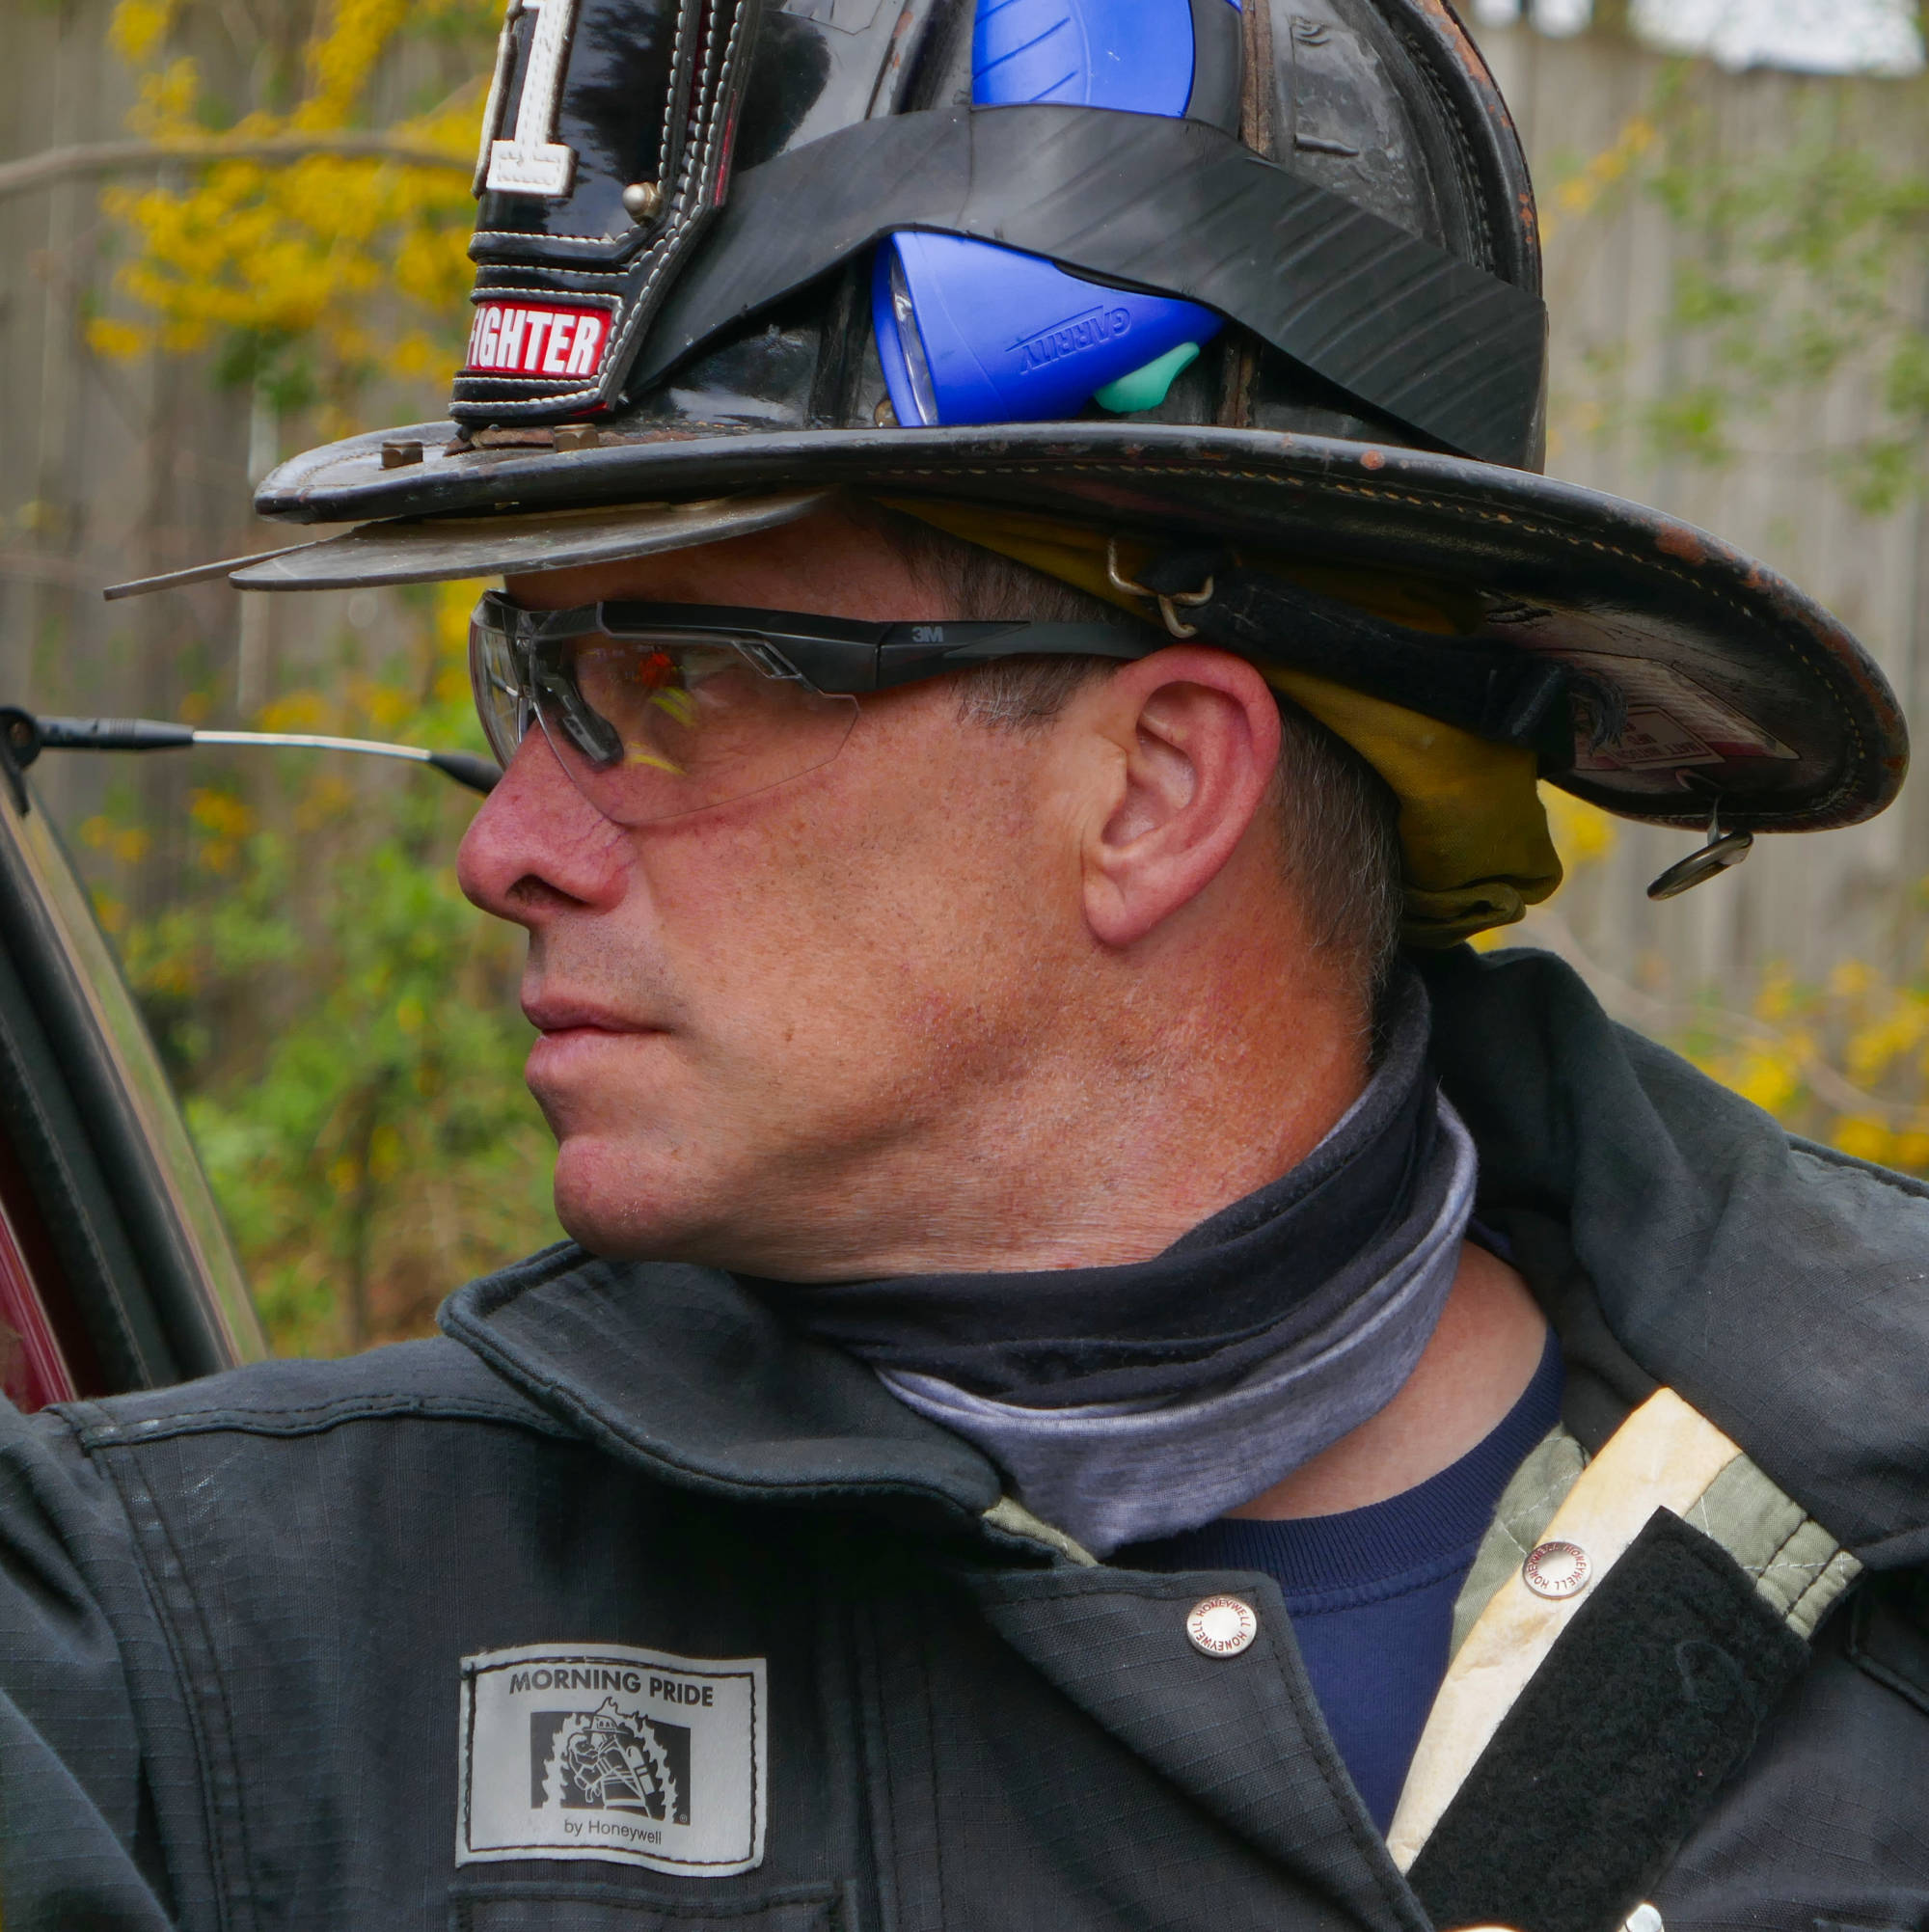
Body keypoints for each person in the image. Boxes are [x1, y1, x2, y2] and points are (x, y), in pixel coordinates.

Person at [6, 0, 1929, 1927]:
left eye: (673, 681)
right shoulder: (180, 1667)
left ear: (1153, 793)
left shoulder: (1878, 1570)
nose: (503, 849)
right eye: (535, 677)